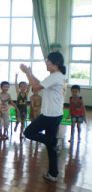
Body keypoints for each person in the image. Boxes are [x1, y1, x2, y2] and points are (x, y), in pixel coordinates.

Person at [21, 51, 66, 182]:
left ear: (56, 63)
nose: (46, 64)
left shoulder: (55, 76)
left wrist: (27, 73)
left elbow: (35, 87)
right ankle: (53, 173)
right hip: (55, 114)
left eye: (49, 62)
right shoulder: (57, 76)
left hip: (49, 116)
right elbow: (39, 84)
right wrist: (31, 74)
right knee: (50, 147)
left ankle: (52, 141)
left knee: (28, 132)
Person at [14, 74, 31, 138]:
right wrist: (16, 77)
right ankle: (16, 125)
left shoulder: (26, 93)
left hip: (24, 110)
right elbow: (15, 85)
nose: (23, 88)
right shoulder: (18, 93)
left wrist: (29, 76)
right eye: (21, 86)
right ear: (19, 87)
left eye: (24, 86)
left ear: (26, 87)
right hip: (18, 110)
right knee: (18, 120)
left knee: (23, 123)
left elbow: (29, 85)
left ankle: (20, 134)